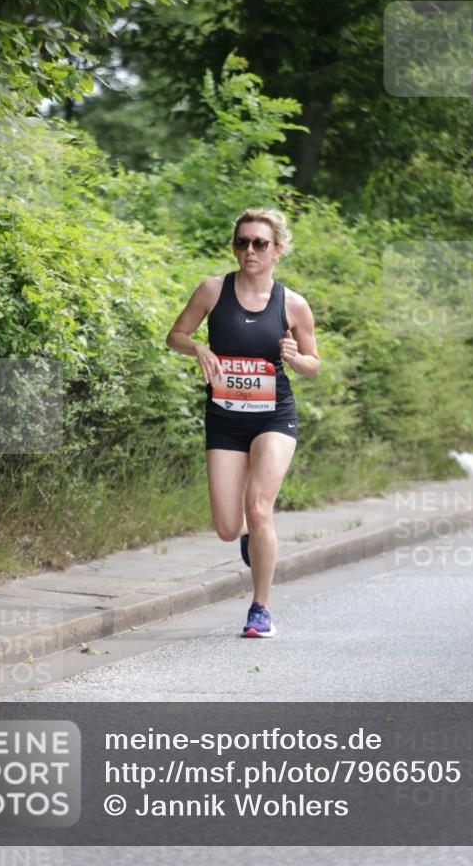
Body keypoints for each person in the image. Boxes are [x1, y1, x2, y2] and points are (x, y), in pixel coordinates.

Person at [165, 207, 320, 638]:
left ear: (277, 249)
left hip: (274, 415)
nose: (250, 250)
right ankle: (249, 533)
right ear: (234, 247)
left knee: (259, 506)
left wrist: (296, 358)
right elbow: (175, 335)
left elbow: (314, 364)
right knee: (228, 527)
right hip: (225, 419)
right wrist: (198, 348)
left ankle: (260, 609)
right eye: (242, 242)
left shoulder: (293, 303)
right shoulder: (213, 290)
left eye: (260, 243)